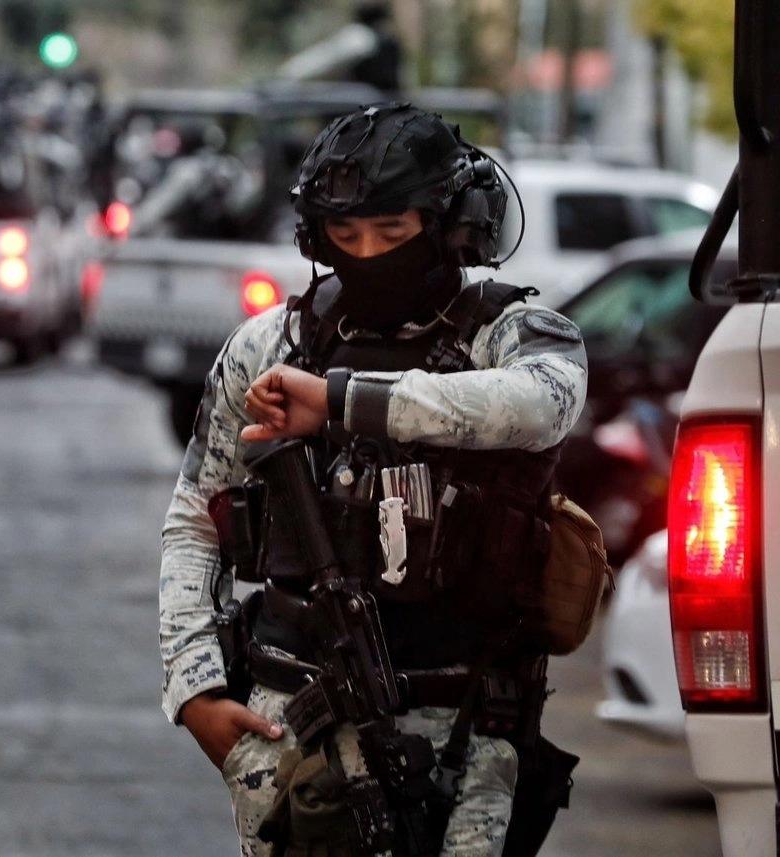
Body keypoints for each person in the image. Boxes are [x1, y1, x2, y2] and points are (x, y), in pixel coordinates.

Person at [159, 103, 588, 856]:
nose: (367, 254)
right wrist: (194, 686)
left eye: (393, 233)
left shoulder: (512, 335)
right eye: (345, 235)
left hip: (465, 730)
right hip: (294, 724)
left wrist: (340, 402)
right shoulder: (271, 344)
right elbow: (197, 516)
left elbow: (539, 405)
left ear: (454, 225)